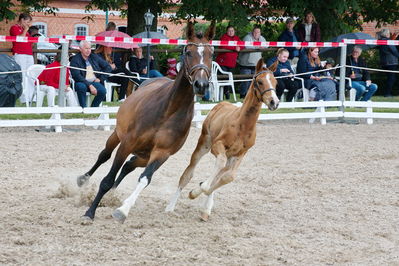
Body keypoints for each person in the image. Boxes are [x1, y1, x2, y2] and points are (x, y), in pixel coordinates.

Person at [70, 40, 112, 107]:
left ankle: (93, 108)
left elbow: (108, 67)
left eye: (89, 48)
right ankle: (83, 108)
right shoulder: (75, 60)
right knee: (81, 87)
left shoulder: (94, 57)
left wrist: (100, 79)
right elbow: (76, 76)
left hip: (94, 82)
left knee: (102, 91)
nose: (88, 50)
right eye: (86, 48)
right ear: (80, 49)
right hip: (81, 82)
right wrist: (89, 85)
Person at [10, 13, 34, 104]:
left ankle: (31, 96)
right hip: (20, 54)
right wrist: (26, 30)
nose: (28, 24)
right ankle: (23, 97)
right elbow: (19, 38)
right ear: (22, 20)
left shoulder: (26, 30)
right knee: (22, 75)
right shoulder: (14, 28)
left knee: (30, 75)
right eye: (27, 22)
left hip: (29, 54)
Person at [237, 25, 266, 98]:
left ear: (260, 32)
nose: (257, 33)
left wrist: (259, 46)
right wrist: (258, 47)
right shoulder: (247, 37)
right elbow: (247, 46)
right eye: (255, 32)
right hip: (246, 63)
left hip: (256, 64)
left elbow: (266, 45)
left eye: (258, 32)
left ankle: (252, 95)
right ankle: (243, 95)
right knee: (245, 81)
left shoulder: (261, 38)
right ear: (252, 32)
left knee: (254, 81)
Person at [215, 25, 241, 99]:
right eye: (229, 31)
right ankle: (225, 93)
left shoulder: (236, 38)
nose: (231, 32)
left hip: (231, 63)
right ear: (227, 31)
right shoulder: (224, 37)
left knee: (228, 78)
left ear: (234, 31)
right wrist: (235, 48)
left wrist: (239, 47)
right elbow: (224, 46)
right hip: (222, 62)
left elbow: (242, 45)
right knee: (224, 78)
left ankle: (226, 92)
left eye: (232, 30)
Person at [378, 29, 399, 97]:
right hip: (391, 62)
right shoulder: (388, 41)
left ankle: (387, 92)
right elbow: (394, 51)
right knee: (391, 78)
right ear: (386, 34)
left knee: (389, 78)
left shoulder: (380, 41)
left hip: (384, 62)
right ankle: (387, 93)